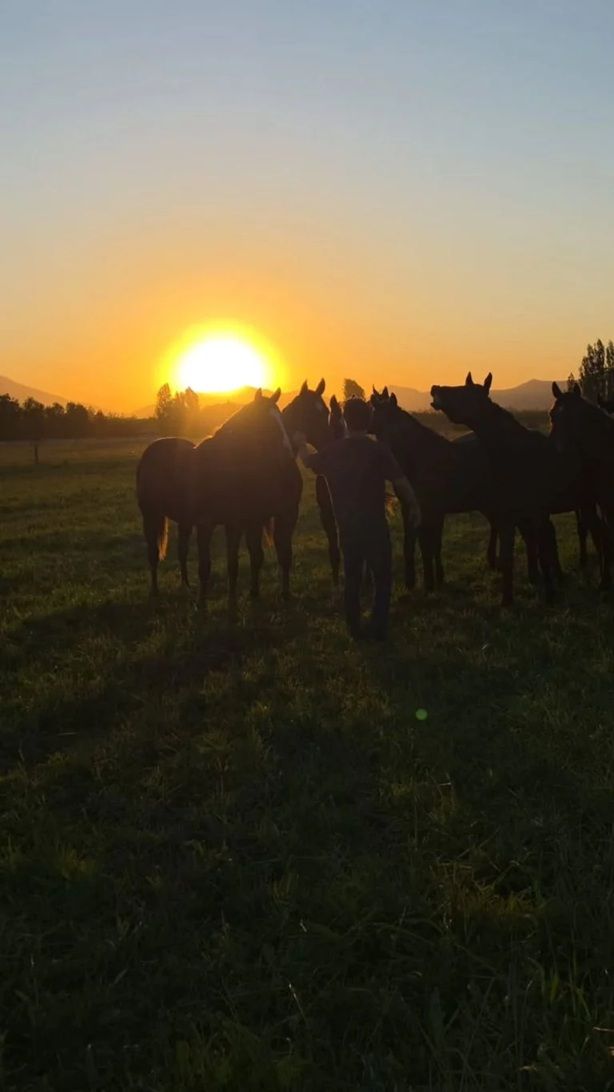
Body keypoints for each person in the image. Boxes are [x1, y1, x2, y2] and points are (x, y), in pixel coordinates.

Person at [294, 397, 420, 640]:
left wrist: (301, 444)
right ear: (369, 419)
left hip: (347, 527)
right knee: (382, 577)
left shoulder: (332, 451)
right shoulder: (378, 450)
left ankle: (354, 628)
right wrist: (414, 504)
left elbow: (308, 462)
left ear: (345, 420)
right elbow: (400, 482)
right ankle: (378, 627)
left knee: (352, 577)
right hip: (375, 526)